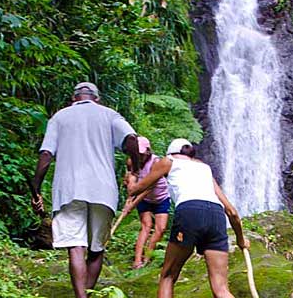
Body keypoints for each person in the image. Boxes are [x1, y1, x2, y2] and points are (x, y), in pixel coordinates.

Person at [31, 82, 140, 298]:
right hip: (103, 189)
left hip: (68, 189)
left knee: (75, 247)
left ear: (74, 98)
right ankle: (87, 295)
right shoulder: (110, 115)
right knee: (97, 248)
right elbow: (131, 140)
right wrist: (135, 170)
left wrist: (35, 188)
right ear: (96, 99)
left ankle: (81, 297)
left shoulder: (60, 117)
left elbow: (46, 155)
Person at [127, 138, 249, 298]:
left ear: (171, 153)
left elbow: (135, 190)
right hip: (216, 216)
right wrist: (240, 240)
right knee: (221, 288)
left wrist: (131, 176)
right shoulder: (204, 169)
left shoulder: (168, 161)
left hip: (190, 211)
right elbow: (231, 211)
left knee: (168, 276)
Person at [127, 136, 171, 269]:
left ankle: (147, 258)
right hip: (144, 199)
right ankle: (137, 260)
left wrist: (132, 204)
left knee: (160, 228)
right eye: (136, 153)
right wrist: (129, 200)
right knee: (146, 226)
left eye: (141, 153)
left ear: (147, 151)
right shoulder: (132, 162)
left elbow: (148, 188)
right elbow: (132, 184)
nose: (139, 157)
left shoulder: (157, 163)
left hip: (160, 197)